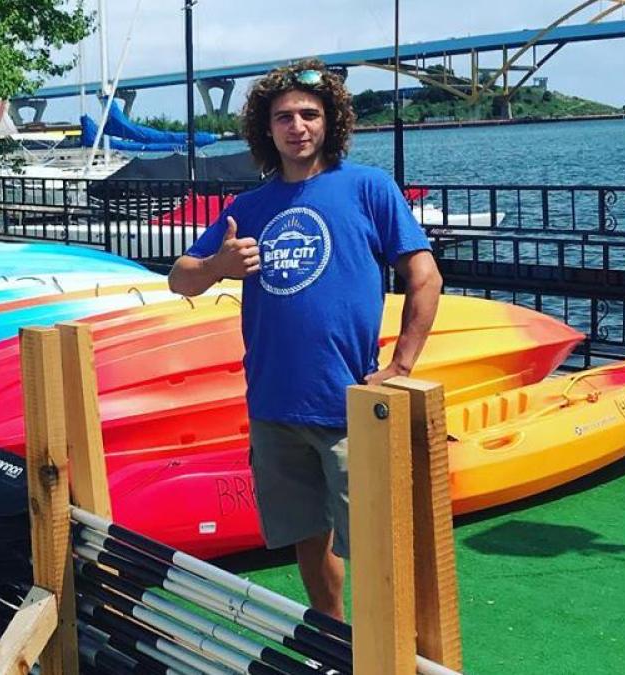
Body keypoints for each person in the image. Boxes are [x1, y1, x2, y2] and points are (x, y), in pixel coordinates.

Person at [167, 59, 442, 620]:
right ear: (266, 130)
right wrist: (219, 265)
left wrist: (401, 366)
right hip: (273, 406)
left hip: (349, 407)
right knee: (307, 538)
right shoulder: (248, 208)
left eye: (309, 114)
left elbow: (425, 277)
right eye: (284, 117)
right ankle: (333, 639)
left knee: (376, 544)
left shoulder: (368, 188)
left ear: (330, 121)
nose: (297, 126)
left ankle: (389, 646)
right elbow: (180, 278)